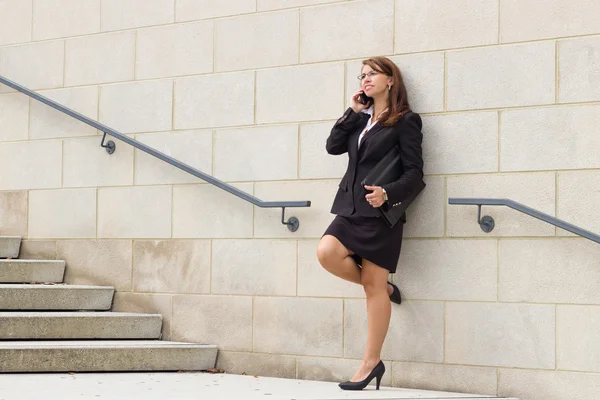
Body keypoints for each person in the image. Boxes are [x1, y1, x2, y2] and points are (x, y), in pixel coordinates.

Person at [317, 56, 424, 391]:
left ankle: (370, 363)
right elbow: (333, 147)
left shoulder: (406, 121)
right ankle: (386, 289)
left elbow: (415, 174)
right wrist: (352, 111)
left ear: (391, 80)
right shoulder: (361, 118)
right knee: (326, 253)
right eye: (362, 75)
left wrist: (387, 194)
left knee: (371, 287)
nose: (365, 80)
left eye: (372, 74)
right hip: (349, 209)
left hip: (380, 214)